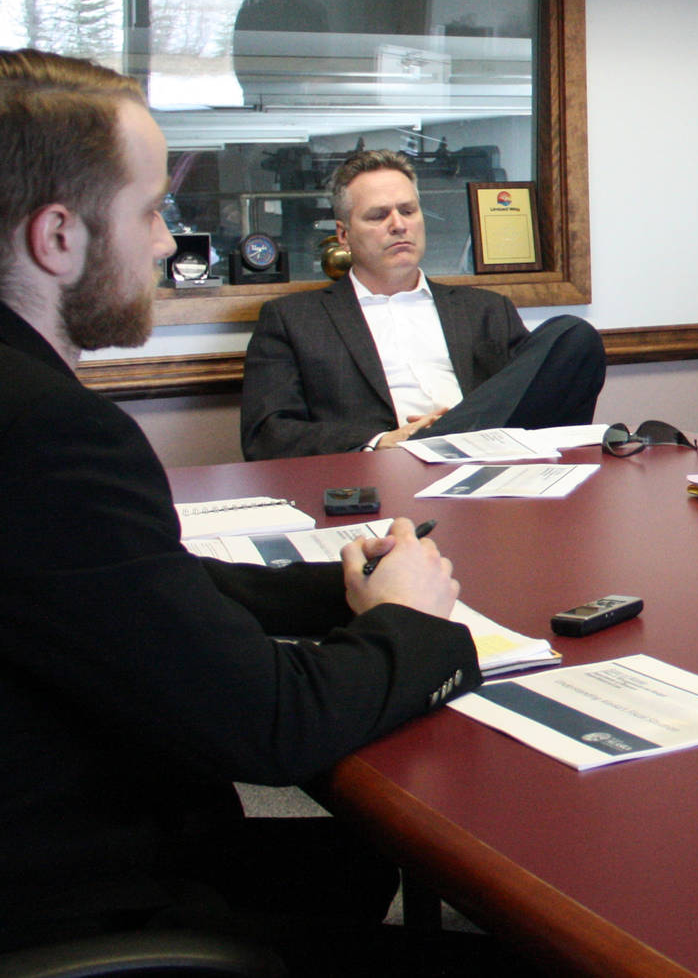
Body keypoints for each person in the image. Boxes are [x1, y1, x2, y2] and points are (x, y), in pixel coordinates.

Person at [0, 49, 482, 965]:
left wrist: (329, 590)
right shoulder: (45, 434)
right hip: (88, 905)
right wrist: (411, 626)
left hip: (57, 836)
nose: (164, 244)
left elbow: (129, 584)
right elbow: (274, 727)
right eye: (148, 210)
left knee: (353, 853)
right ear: (57, 236)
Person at [240, 149, 605, 459]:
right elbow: (266, 435)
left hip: (492, 461)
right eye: (378, 215)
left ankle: (447, 438)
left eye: (408, 211)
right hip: (388, 471)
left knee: (572, 334)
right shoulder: (294, 319)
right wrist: (382, 442)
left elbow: (522, 398)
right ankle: (435, 443)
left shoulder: (484, 309)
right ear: (343, 234)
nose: (399, 225)